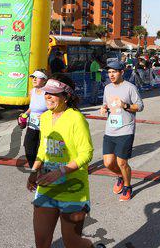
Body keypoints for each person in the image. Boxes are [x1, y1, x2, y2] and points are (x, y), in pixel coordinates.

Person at [28, 74, 94, 248]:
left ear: (66, 96)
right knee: (41, 243)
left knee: (72, 243)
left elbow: (86, 153)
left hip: (73, 189)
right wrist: (34, 171)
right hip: (47, 187)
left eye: (53, 93)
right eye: (46, 93)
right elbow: (43, 148)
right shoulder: (45, 117)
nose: (48, 96)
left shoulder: (76, 118)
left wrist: (61, 171)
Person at [100, 60, 144, 202]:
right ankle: (121, 176)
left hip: (126, 129)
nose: (111, 75)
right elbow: (106, 103)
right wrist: (104, 108)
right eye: (109, 72)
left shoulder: (130, 87)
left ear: (122, 72)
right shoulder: (107, 88)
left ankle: (127, 186)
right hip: (110, 129)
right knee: (108, 163)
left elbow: (140, 106)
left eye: (114, 72)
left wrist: (125, 105)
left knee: (122, 162)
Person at [18, 70, 49, 168]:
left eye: (37, 77)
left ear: (44, 80)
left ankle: (43, 170)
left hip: (45, 126)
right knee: (29, 148)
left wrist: (46, 116)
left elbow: (54, 108)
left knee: (43, 150)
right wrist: (25, 115)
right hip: (32, 125)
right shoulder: (32, 92)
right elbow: (32, 107)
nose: (34, 79)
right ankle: (34, 169)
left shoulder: (48, 93)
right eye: (33, 77)